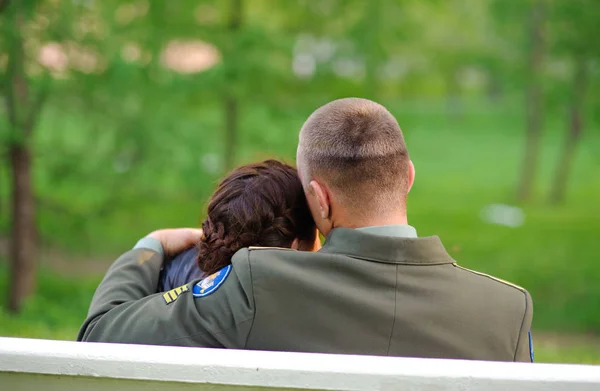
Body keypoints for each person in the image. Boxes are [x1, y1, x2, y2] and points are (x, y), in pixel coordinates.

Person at [78, 97, 534, 362]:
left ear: (319, 199)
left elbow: (100, 337)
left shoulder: (258, 284)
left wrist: (148, 248)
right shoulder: (508, 312)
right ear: (409, 176)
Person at [157, 159, 319, 292]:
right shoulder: (314, 312)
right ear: (294, 249)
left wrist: (154, 242)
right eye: (317, 231)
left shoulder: (175, 276)